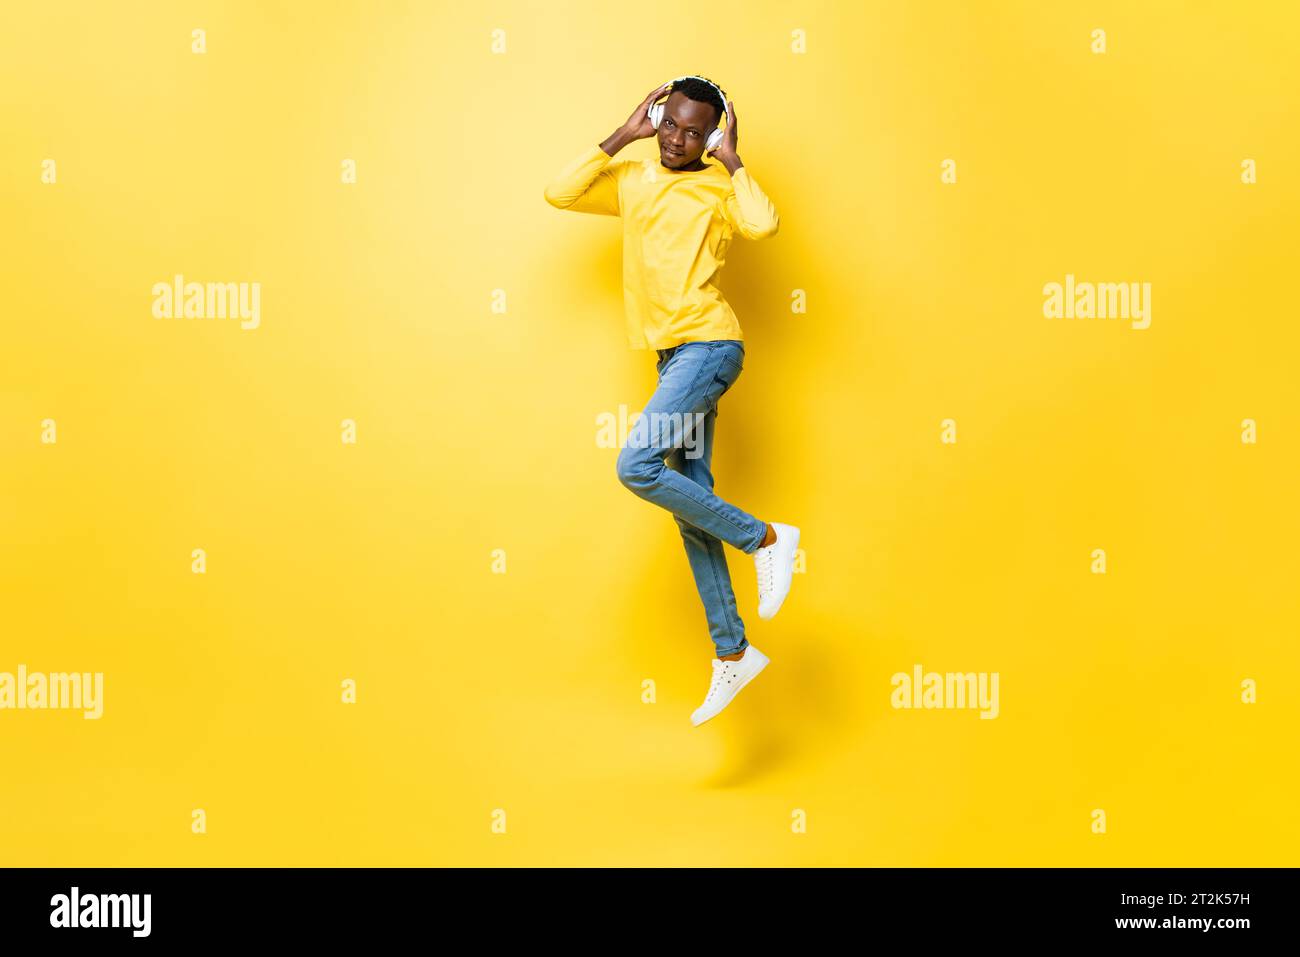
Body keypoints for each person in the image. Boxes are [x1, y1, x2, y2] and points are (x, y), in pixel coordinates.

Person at [544, 76, 800, 727]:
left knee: (635, 465)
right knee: (691, 503)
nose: (677, 141)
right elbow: (560, 192)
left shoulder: (717, 188)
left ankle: (766, 538)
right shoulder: (632, 177)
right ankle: (733, 649)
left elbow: (764, 224)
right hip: (671, 359)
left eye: (694, 133)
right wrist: (623, 133)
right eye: (670, 124)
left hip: (708, 348)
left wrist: (734, 159)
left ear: (711, 137)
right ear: (657, 115)